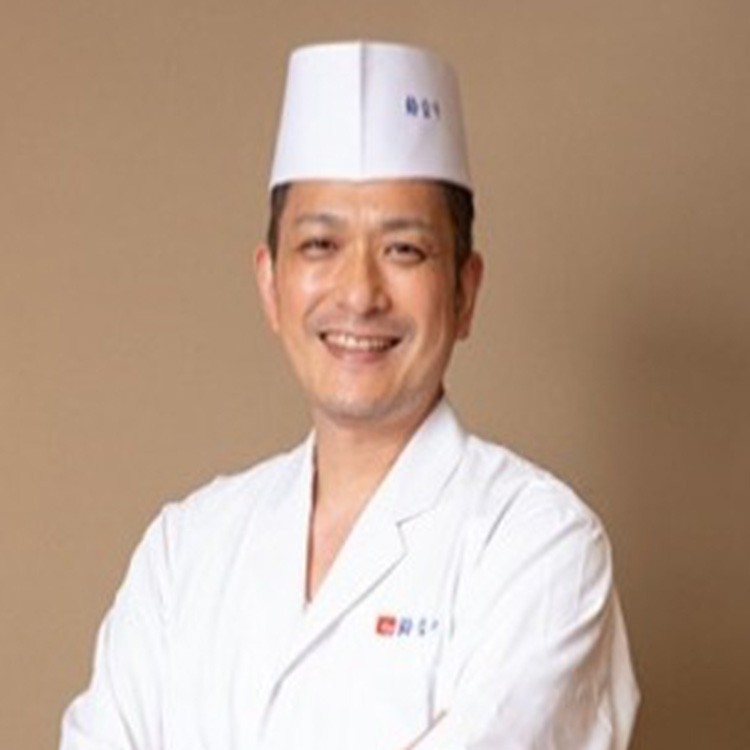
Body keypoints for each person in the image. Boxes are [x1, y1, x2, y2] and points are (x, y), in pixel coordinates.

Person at [60, 41, 639, 749]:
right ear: (270, 284)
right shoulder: (185, 549)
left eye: (404, 250)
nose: (360, 293)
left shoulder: (539, 545)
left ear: (464, 291)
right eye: (320, 246)